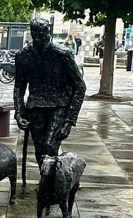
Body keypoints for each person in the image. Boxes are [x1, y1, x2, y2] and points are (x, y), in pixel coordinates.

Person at [14, 17, 88, 169]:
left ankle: (49, 181)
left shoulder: (62, 54)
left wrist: (69, 120)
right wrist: (19, 113)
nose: (39, 39)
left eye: (42, 35)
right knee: (40, 151)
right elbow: (19, 87)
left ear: (48, 33)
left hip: (59, 107)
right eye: (36, 35)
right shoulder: (22, 56)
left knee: (49, 148)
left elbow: (80, 86)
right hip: (35, 108)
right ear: (32, 34)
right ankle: (48, 179)